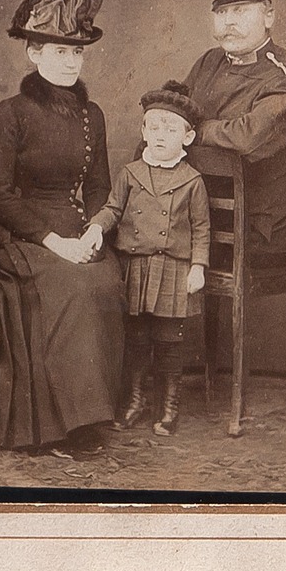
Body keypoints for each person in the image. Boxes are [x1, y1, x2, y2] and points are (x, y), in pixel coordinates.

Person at [0, 0, 125, 455]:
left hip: (73, 226)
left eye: (77, 52)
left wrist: (95, 228)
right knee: (70, 285)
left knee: (105, 278)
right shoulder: (11, 113)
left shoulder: (93, 115)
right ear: (34, 53)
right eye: (59, 51)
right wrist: (54, 242)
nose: (71, 62)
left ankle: (92, 412)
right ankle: (63, 425)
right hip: (9, 234)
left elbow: (99, 187)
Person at [83, 81, 210, 437]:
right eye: (153, 127)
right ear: (143, 132)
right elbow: (112, 208)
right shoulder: (131, 173)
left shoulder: (192, 181)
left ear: (187, 137)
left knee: (169, 341)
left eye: (170, 129)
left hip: (173, 269)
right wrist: (96, 227)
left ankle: (169, 407)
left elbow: (202, 228)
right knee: (137, 340)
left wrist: (198, 266)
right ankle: (135, 401)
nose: (160, 136)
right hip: (136, 267)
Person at [181, 0, 286, 266]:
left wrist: (193, 131)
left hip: (259, 230)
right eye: (221, 12)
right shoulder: (208, 63)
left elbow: (246, 138)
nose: (229, 21)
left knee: (157, 247)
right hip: (204, 219)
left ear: (269, 16)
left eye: (240, 10)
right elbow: (171, 115)